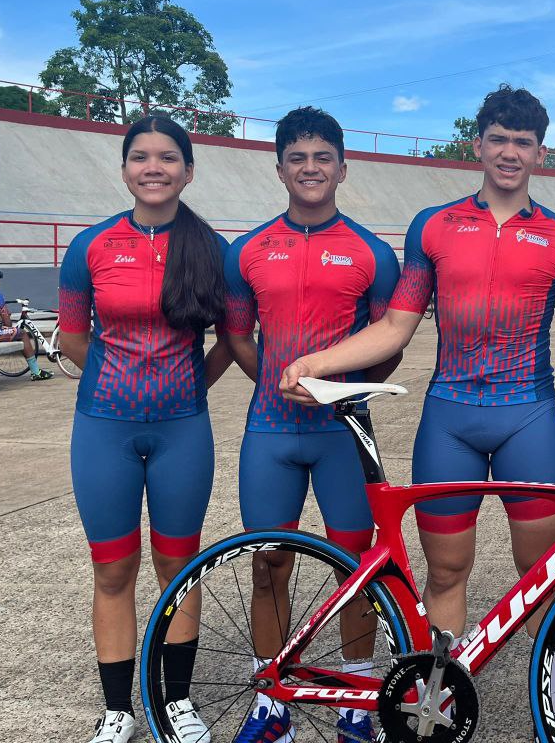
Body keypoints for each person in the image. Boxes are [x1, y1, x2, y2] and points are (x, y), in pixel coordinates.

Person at [279, 84, 555, 732]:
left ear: (540, 153)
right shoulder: (434, 226)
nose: (509, 152)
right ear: (478, 145)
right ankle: (433, 711)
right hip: (450, 419)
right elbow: (395, 328)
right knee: (445, 573)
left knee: (542, 576)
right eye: (498, 139)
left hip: (529, 418)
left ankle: (550, 711)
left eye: (522, 142)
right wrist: (317, 362)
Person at [223, 107, 401, 743]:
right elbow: (238, 336)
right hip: (270, 430)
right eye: (297, 158)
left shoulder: (373, 253)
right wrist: (281, 383)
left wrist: (335, 390)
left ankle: (357, 700)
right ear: (279, 169)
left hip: (343, 434)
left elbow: (390, 343)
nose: (310, 168)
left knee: (356, 568)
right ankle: (272, 702)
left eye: (323, 157)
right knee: (267, 564)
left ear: (343, 169)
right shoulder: (247, 250)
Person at [57, 116, 233, 743]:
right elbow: (73, 338)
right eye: (140, 157)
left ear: (189, 170)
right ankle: (117, 710)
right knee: (112, 570)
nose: (153, 168)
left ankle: (176, 701)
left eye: (167, 157)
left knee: (178, 566)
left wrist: (182, 388)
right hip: (104, 429)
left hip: (182, 430)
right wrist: (123, 384)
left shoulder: (214, 250)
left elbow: (230, 342)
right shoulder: (91, 246)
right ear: (125, 168)